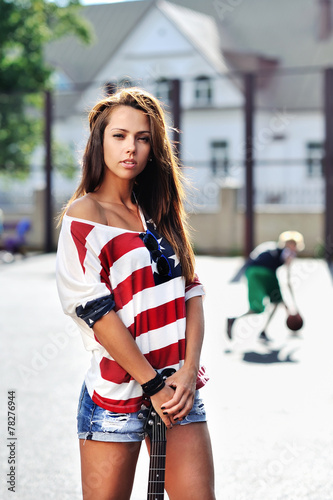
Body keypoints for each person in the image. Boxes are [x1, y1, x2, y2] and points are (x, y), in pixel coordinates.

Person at [56, 87, 215, 500]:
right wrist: (152, 386)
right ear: (99, 142)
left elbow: (191, 292)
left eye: (143, 138)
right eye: (120, 136)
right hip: (116, 398)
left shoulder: (158, 211)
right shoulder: (83, 216)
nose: (131, 148)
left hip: (179, 391)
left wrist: (188, 372)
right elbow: (97, 313)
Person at [226, 231, 305, 341]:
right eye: (292, 244)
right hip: (266, 273)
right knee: (273, 302)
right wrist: (294, 306)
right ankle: (263, 330)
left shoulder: (271, 247)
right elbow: (287, 280)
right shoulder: (288, 253)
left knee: (259, 307)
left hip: (252, 271)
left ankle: (235, 319)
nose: (293, 247)